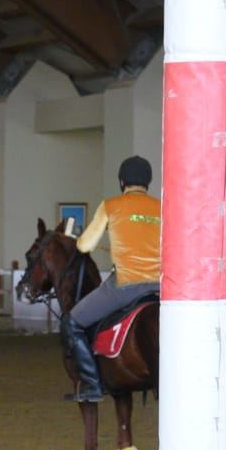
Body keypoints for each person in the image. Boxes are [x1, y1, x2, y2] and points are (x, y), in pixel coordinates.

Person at [61, 155, 161, 403]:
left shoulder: (111, 205)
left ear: (121, 181)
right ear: (148, 181)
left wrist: (79, 238)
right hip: (161, 287)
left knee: (71, 323)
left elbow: (84, 247)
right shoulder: (162, 208)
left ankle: (92, 385)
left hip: (126, 285)